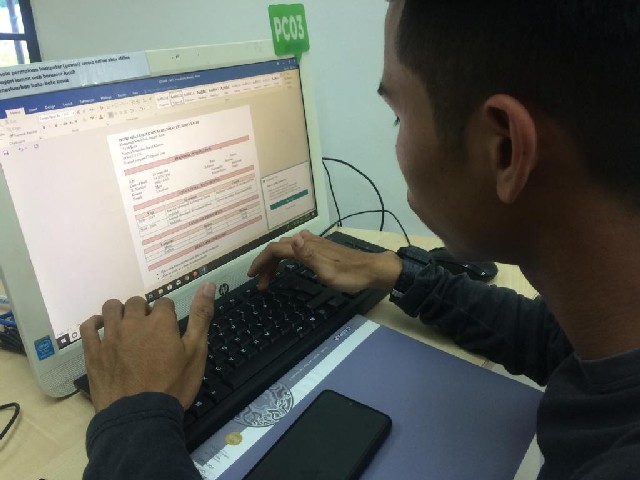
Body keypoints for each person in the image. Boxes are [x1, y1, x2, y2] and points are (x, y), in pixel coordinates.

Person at [81, 0, 640, 478]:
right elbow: (555, 342)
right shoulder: (611, 328)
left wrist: (132, 421)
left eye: (398, 116)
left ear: (505, 150)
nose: (397, 144)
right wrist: (395, 271)